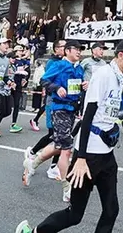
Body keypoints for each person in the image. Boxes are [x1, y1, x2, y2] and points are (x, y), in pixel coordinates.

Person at [16, 40, 123, 233]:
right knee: (75, 215)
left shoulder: (119, 78)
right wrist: (81, 158)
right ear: (120, 56)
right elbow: (87, 118)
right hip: (89, 155)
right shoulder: (104, 75)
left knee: (111, 210)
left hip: (107, 155)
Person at [23, 40, 85, 202]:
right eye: (76, 49)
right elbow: (44, 81)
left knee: (58, 145)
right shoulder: (58, 65)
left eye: (80, 49)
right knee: (66, 148)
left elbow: (75, 88)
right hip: (59, 109)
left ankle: (32, 164)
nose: (79, 52)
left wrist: (83, 86)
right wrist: (57, 88)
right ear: (67, 51)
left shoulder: (79, 68)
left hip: (72, 110)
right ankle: (67, 187)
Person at [8, 43, 32, 133]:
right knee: (4, 106)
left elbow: (27, 71)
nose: (21, 52)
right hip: (10, 84)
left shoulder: (23, 61)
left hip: (18, 85)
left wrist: (25, 79)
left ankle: (13, 123)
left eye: (22, 50)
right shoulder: (12, 61)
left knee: (17, 104)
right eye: (19, 50)